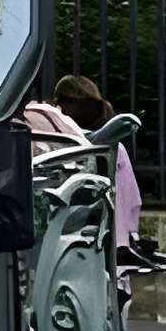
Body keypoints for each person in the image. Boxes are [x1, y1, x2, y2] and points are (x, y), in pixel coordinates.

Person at [47, 72, 141, 250]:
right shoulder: (114, 147)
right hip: (114, 247)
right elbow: (132, 202)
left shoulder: (56, 146)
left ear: (60, 106)